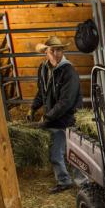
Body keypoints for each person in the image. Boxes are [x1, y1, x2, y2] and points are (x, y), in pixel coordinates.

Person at [27, 35, 82, 193]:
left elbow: (66, 101)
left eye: (59, 50)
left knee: (76, 153)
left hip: (70, 117)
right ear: (46, 52)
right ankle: (64, 181)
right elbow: (42, 92)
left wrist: (47, 116)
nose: (56, 53)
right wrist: (33, 108)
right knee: (55, 153)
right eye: (53, 50)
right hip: (54, 118)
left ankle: (84, 183)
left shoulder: (69, 71)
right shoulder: (43, 69)